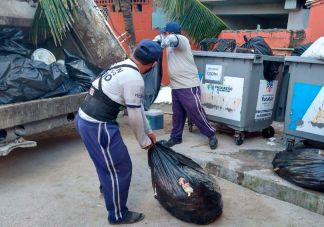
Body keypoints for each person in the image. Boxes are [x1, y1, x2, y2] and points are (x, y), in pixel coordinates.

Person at [75, 39, 162, 225]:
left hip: (84, 118)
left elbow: (137, 106)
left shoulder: (122, 64)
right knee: (119, 168)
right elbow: (134, 117)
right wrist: (144, 142)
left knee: (104, 162)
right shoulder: (135, 79)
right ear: (153, 64)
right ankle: (117, 215)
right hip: (98, 126)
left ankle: (107, 190)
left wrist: (149, 131)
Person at [154, 22, 218, 149]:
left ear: (171, 33)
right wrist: (156, 41)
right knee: (177, 114)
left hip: (188, 85)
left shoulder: (181, 40)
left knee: (195, 111)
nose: (164, 34)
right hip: (176, 86)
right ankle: (176, 137)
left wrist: (162, 41)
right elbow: (162, 40)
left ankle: (211, 134)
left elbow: (172, 39)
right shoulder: (169, 45)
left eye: (165, 32)